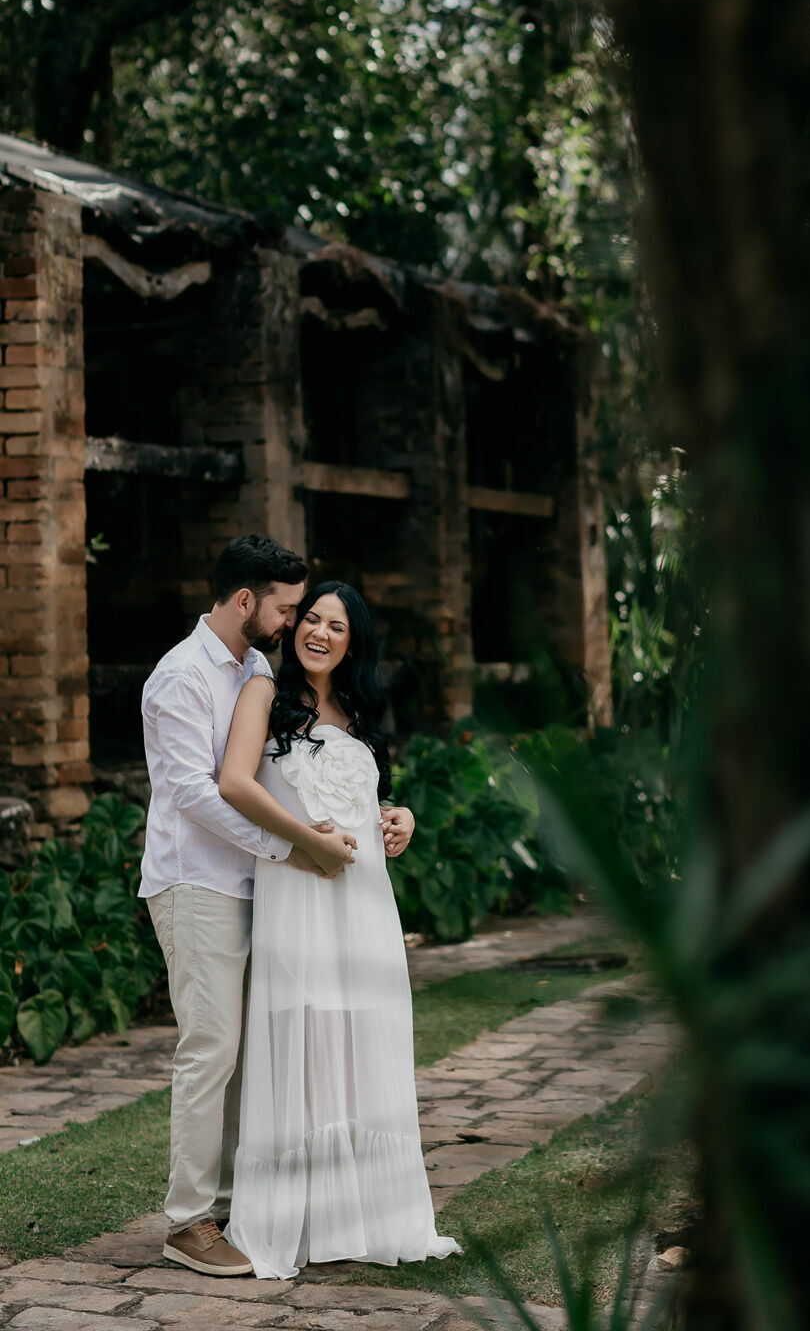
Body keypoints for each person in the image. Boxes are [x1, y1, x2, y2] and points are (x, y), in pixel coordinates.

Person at [217, 579, 460, 1279]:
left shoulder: (358, 707)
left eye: (337, 626)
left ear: (355, 642)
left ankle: (363, 1214)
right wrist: (309, 842)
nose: (319, 633)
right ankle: (296, 1217)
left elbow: (366, 801)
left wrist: (401, 818)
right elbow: (238, 782)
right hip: (299, 888)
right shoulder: (265, 693)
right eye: (311, 620)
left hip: (362, 899)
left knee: (360, 1036)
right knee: (306, 1031)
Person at [141, 535, 361, 1279]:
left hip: (253, 887)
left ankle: (234, 1202)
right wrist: (291, 848)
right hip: (194, 883)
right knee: (211, 1051)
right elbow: (198, 794)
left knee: (246, 1055)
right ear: (246, 601)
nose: (293, 623)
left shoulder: (256, 666)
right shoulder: (179, 678)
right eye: (286, 607)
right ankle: (187, 1222)